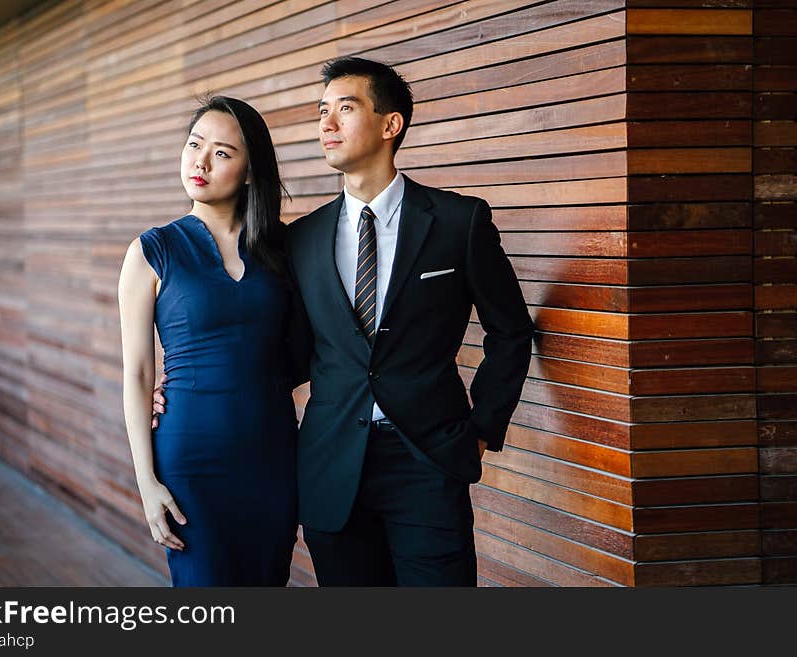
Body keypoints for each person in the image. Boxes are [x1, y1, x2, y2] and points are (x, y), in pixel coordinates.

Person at [156, 57, 535, 586]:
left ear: (389, 124)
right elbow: (285, 351)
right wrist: (192, 389)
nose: (326, 125)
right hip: (332, 465)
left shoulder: (457, 222)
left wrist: (482, 428)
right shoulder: (300, 240)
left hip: (426, 460)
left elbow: (511, 330)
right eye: (322, 111)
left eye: (345, 109)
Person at [118, 95, 297, 586]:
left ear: (248, 170)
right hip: (191, 460)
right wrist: (146, 481)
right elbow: (136, 372)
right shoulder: (151, 251)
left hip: (273, 455)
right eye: (195, 145)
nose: (200, 161)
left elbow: (306, 346)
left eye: (221, 152)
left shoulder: (283, 248)